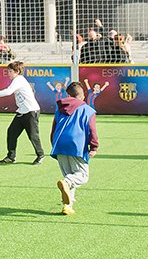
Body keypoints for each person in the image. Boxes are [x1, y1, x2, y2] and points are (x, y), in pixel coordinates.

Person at [50, 81, 99, 216]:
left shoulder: (60, 108)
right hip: (76, 145)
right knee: (81, 176)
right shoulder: (88, 110)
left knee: (70, 175)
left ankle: (67, 206)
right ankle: (66, 183)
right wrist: (94, 146)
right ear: (82, 96)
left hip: (59, 144)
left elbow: (54, 127)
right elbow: (92, 130)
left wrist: (54, 143)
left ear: (68, 95)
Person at [0, 61, 44, 165]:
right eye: (8, 71)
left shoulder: (19, 80)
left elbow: (8, 91)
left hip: (31, 111)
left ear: (17, 71)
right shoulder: (17, 80)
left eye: (10, 71)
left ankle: (40, 155)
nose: (8, 73)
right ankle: (11, 157)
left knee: (33, 136)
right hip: (22, 112)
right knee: (11, 132)